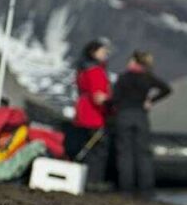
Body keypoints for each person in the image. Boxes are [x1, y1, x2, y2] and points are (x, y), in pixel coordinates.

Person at [110, 50, 171, 196]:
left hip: (124, 115)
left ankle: (126, 189)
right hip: (140, 116)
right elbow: (166, 89)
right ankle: (146, 189)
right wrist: (151, 101)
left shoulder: (123, 78)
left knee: (125, 154)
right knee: (143, 153)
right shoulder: (147, 77)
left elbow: (115, 99)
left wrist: (108, 105)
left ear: (134, 61)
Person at [70, 39, 112, 184]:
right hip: (94, 115)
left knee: (86, 146)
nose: (106, 54)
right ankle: (93, 181)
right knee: (97, 150)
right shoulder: (95, 71)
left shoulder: (82, 70)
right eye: (103, 51)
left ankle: (84, 179)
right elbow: (98, 96)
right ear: (93, 53)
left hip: (82, 113)